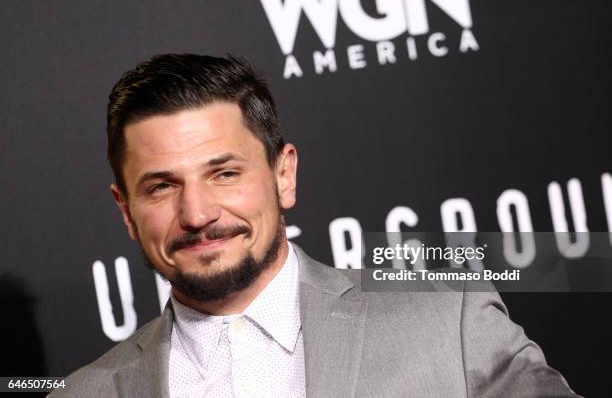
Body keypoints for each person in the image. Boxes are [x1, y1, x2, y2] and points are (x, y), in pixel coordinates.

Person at [50, 54, 580, 398]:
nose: (197, 214)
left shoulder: (447, 319)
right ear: (126, 211)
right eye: (162, 186)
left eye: (225, 173)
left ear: (283, 175)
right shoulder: (83, 394)